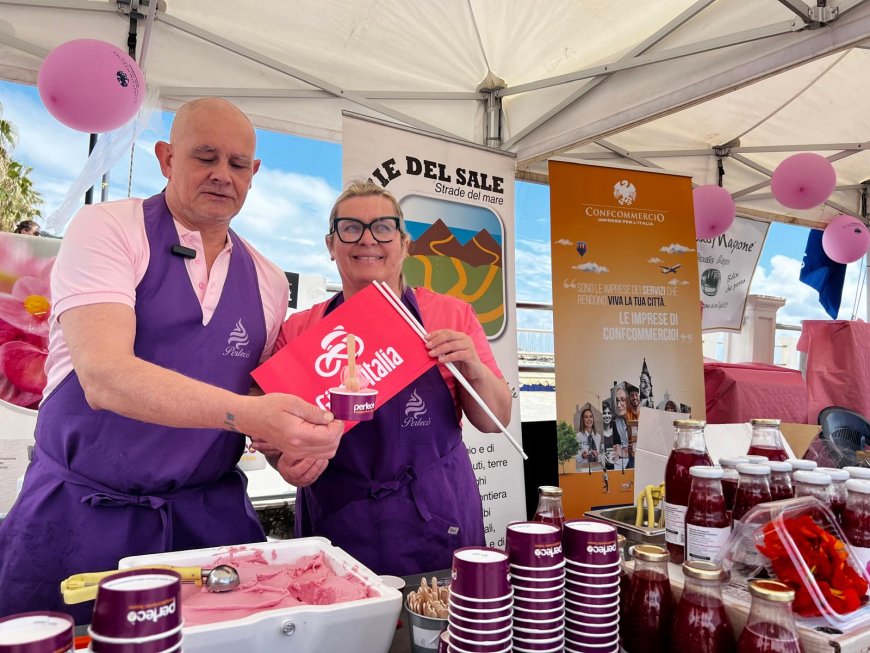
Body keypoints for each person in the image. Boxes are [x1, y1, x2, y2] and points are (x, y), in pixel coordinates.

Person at [0, 98, 344, 622]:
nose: (221, 175)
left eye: (236, 164)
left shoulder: (269, 280)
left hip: (207, 521)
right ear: (165, 158)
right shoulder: (108, 229)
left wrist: (287, 454)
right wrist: (253, 416)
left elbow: (254, 397)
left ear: (254, 174)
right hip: (79, 516)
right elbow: (105, 376)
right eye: (204, 157)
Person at [268, 179, 512, 576]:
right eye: (350, 228)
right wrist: (282, 462)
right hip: (336, 518)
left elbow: (495, 419)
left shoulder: (452, 316)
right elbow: (269, 431)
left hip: (436, 514)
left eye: (383, 228)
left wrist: (472, 367)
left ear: (404, 243)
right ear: (331, 246)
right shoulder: (299, 330)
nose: (367, 240)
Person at [576, 406, 602, 472]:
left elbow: (598, 457)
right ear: (582, 420)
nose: (589, 419)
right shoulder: (577, 437)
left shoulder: (598, 436)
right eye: (586, 417)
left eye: (591, 416)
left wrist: (597, 456)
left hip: (596, 469)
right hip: (583, 470)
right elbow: (575, 459)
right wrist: (582, 456)